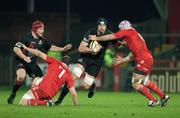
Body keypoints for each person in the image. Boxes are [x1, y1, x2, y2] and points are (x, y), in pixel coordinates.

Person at [89, 20, 170, 107]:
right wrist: (122, 60)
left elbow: (111, 37)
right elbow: (132, 54)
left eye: (120, 29)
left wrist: (96, 38)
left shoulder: (127, 31)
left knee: (135, 84)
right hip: (147, 59)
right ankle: (163, 96)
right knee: (145, 82)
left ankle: (153, 100)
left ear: (123, 27)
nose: (120, 31)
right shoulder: (134, 34)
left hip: (143, 60)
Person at [54, 18, 119, 105]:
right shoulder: (91, 32)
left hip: (96, 62)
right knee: (73, 78)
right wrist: (92, 50)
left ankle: (92, 85)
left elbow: (118, 44)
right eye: (100, 25)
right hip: (85, 58)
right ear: (97, 26)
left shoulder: (109, 34)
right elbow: (81, 48)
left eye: (104, 25)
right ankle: (59, 100)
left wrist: (124, 42)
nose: (102, 27)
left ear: (106, 26)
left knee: (86, 86)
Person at [7, 20, 72, 104]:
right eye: (41, 29)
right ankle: (13, 94)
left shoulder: (42, 40)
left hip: (32, 64)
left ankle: (37, 98)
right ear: (35, 29)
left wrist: (62, 49)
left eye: (43, 29)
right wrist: (24, 57)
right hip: (22, 61)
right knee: (21, 77)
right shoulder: (26, 37)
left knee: (41, 80)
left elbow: (50, 47)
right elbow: (15, 49)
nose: (43, 31)